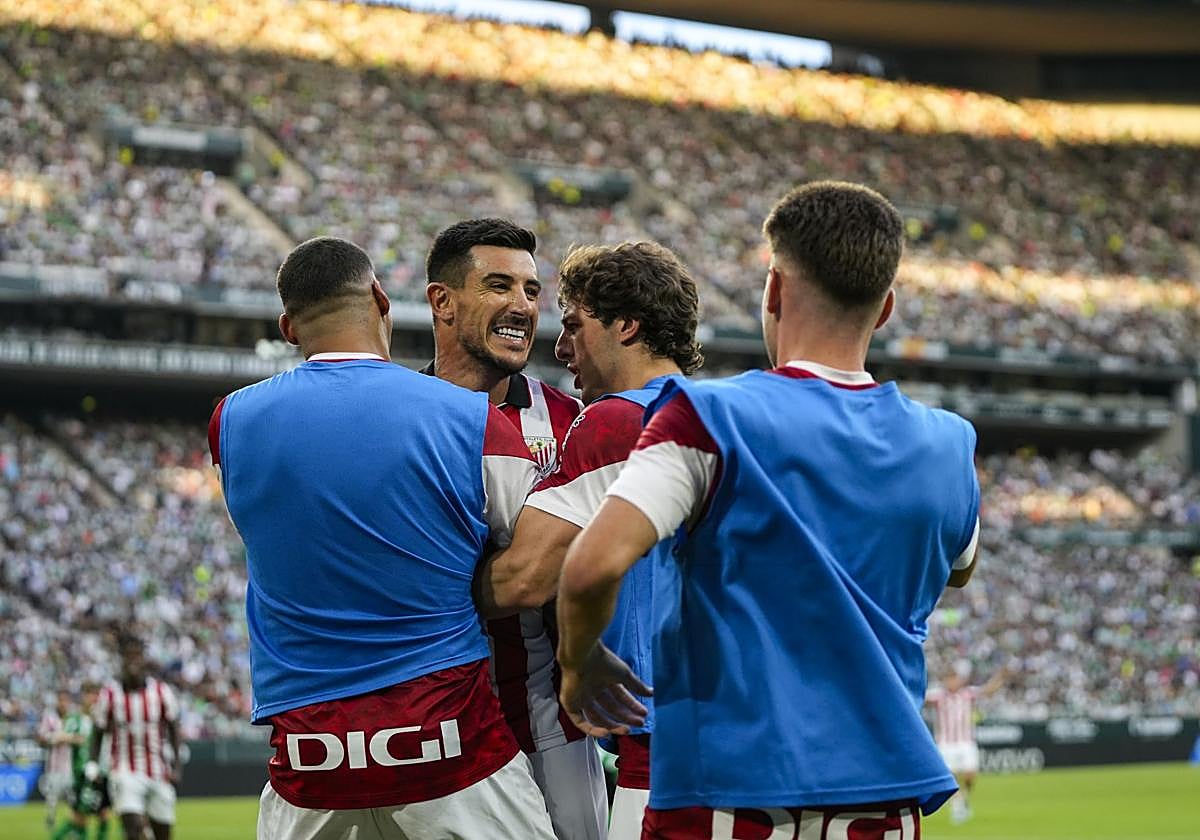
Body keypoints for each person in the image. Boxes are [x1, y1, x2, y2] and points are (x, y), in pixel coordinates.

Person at [556, 181, 982, 839]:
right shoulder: (951, 445)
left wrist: (581, 663)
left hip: (731, 796)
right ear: (886, 307)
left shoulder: (707, 418)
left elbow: (590, 569)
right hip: (884, 804)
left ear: (774, 291)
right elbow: (958, 567)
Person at [209, 236, 554, 839]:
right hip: (448, 742)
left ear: (289, 327)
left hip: (310, 755)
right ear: (379, 299)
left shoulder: (231, 422)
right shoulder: (469, 419)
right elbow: (533, 562)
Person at [476, 241, 702, 840]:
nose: (560, 346)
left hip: (664, 765)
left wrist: (403, 587)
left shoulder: (617, 419)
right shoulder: (735, 415)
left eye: (574, 325)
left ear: (626, 326)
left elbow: (524, 577)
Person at [424, 219, 604, 840]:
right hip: (433, 722)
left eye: (531, 291)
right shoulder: (401, 416)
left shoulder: (571, 419)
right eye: (499, 286)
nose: (522, 307)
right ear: (442, 301)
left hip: (547, 724)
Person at [86, 635, 182, 840]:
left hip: (158, 770)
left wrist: (177, 765)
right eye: (128, 656)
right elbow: (98, 730)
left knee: (163, 833)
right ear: (121, 659)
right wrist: (93, 764)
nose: (133, 661)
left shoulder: (161, 692)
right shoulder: (110, 694)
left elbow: (174, 727)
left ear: (144, 659)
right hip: (124, 769)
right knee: (133, 826)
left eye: (137, 656)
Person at [926, 665, 1008, 824]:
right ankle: (958, 806)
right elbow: (920, 696)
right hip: (945, 743)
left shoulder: (967, 694)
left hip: (966, 742)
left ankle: (962, 798)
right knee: (951, 778)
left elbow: (988, 690)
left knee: (971, 775)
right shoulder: (937, 696)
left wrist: (1001, 676)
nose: (953, 682)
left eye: (955, 678)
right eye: (950, 679)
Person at [54, 683, 113, 840]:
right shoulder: (75, 718)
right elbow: (58, 736)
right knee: (80, 817)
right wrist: (74, 738)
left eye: (97, 695)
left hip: (103, 771)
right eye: (91, 694)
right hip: (82, 774)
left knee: (104, 814)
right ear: (83, 696)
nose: (94, 698)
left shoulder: (103, 718)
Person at [38, 691, 79, 832]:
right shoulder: (49, 718)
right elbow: (41, 738)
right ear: (57, 702)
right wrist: (55, 738)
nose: (63, 704)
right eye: (61, 700)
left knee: (73, 798)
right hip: (53, 766)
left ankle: (75, 824)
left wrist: (69, 738)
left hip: (71, 766)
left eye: (66, 701)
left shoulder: (74, 718)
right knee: (52, 797)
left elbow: (81, 737)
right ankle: (50, 822)